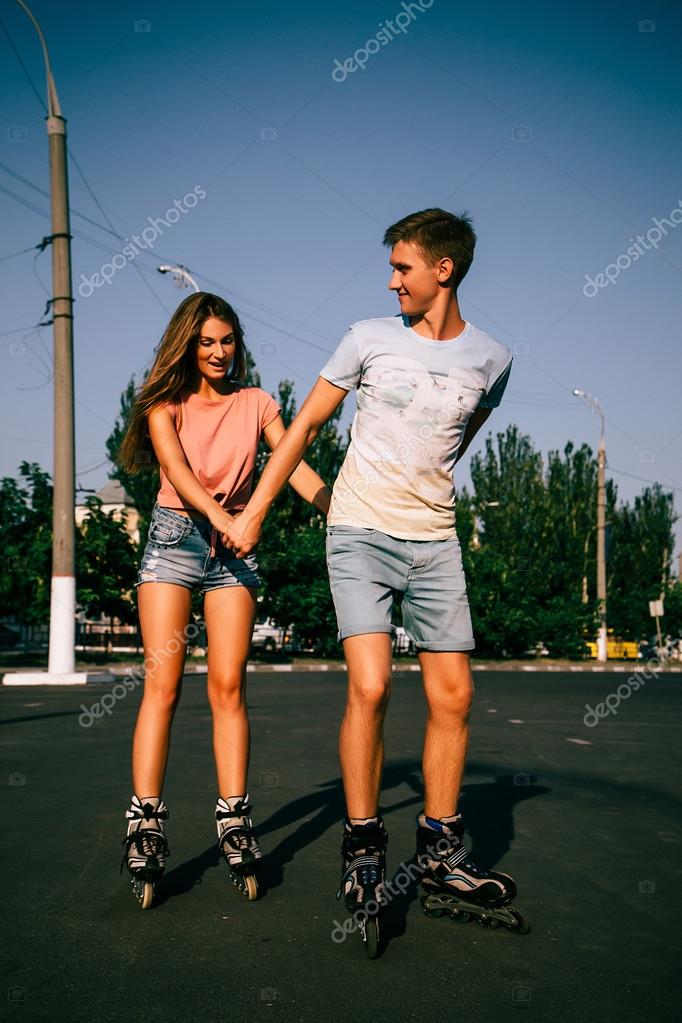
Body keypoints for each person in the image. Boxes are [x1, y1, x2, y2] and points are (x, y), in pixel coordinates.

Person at [223, 208, 521, 943]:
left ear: (443, 270)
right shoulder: (367, 338)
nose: (392, 281)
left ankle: (441, 851)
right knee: (372, 684)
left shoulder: (493, 358)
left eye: (402, 267)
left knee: (455, 695)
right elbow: (303, 427)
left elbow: (455, 440)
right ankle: (362, 844)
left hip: (436, 540)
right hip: (359, 530)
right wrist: (255, 511)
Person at [116, 292, 330, 907]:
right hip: (176, 539)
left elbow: (289, 462)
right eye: (206, 342)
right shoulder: (162, 402)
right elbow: (177, 471)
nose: (218, 352)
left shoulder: (257, 402)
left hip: (234, 549)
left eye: (227, 340)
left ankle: (234, 818)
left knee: (229, 686)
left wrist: (335, 508)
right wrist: (225, 520)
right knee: (163, 684)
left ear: (238, 344)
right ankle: (146, 824)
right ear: (188, 345)